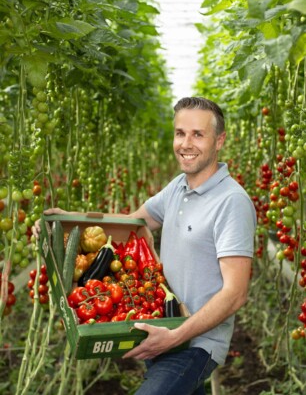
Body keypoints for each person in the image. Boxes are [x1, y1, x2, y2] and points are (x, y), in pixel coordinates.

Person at [33, 97, 256, 395]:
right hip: (158, 323)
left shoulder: (232, 202)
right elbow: (132, 222)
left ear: (219, 141)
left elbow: (236, 293)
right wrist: (70, 222)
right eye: (180, 133)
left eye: (198, 134)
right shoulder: (178, 186)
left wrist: (175, 336)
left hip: (196, 344)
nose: (186, 143)